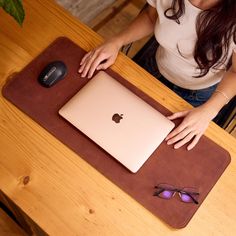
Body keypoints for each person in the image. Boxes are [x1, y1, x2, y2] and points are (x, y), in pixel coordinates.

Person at [78, 0, 236, 150]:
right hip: (154, 66)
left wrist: (209, 111)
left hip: (197, 94)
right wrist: (116, 41)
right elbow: (151, 17)